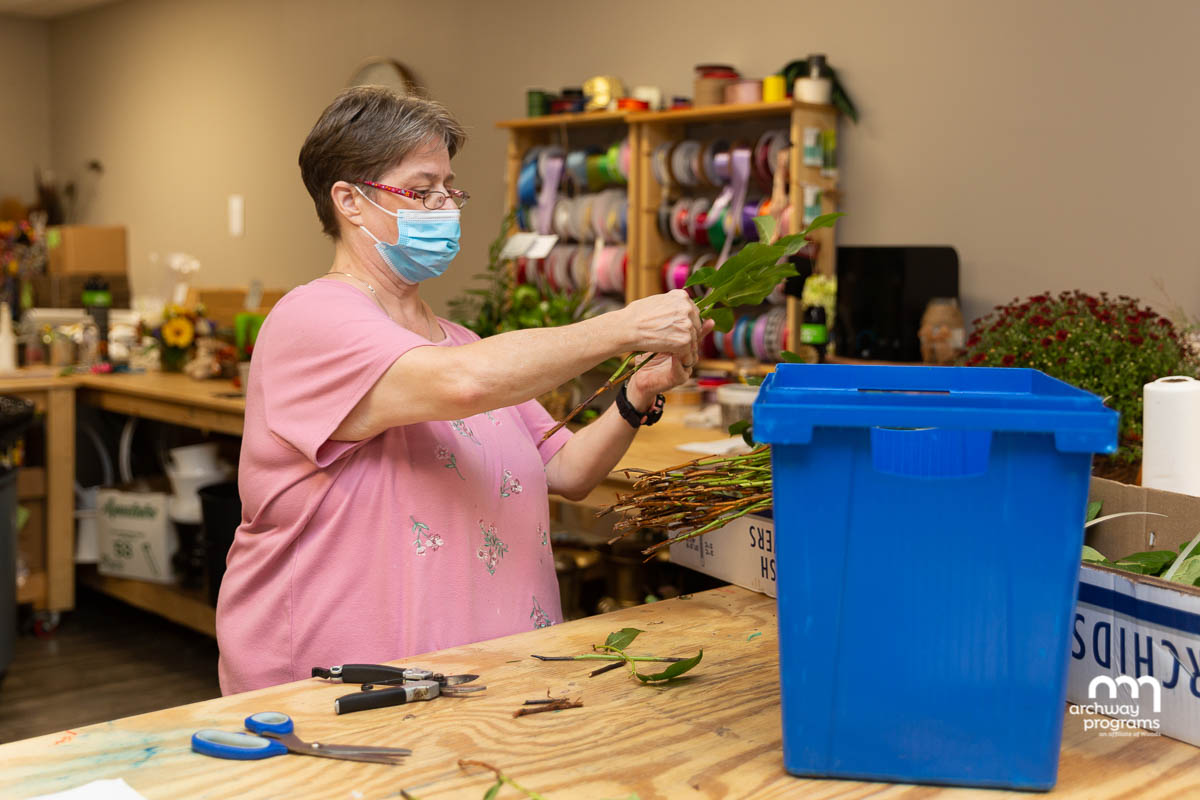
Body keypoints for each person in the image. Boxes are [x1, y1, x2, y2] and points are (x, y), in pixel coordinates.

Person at [215, 86, 711, 694]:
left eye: (449, 189)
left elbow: (567, 470)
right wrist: (621, 326)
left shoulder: (459, 340)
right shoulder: (311, 320)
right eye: (422, 191)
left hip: (485, 679)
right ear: (349, 200)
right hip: (345, 690)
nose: (445, 206)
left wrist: (637, 394)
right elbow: (461, 384)